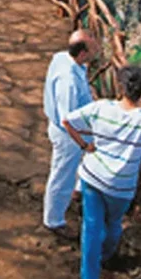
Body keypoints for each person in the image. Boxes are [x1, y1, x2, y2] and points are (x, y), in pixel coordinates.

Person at [63, 64, 141, 279]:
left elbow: (68, 122)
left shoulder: (100, 109)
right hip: (121, 186)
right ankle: (105, 257)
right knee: (114, 223)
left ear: (120, 87)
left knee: (92, 226)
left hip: (93, 177)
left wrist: (85, 145)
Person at [42, 28, 100, 240]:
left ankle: (77, 190)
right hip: (67, 135)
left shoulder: (63, 59)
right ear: (83, 53)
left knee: (79, 164)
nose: (98, 51)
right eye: (94, 48)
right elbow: (67, 121)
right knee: (61, 175)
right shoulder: (69, 82)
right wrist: (84, 144)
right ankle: (54, 220)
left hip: (69, 127)